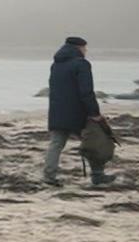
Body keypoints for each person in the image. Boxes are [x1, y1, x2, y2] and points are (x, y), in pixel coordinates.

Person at [45, 35, 110, 187]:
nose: (86, 51)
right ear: (79, 48)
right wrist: (95, 113)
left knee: (56, 144)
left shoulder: (56, 64)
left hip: (57, 110)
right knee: (95, 141)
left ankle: (49, 176)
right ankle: (98, 175)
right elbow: (86, 92)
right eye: (85, 48)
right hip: (78, 112)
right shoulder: (82, 64)